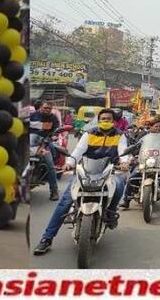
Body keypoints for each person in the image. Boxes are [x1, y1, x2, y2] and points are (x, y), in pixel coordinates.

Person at [33, 109, 129, 255]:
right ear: (98, 120)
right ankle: (46, 238)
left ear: (113, 121)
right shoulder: (89, 133)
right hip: (86, 171)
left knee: (120, 184)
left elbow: (123, 153)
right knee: (65, 202)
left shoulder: (119, 135)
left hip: (108, 171)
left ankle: (110, 212)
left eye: (109, 119)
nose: (106, 121)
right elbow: (77, 152)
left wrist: (124, 162)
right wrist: (69, 163)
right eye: (103, 118)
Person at [121, 118, 160, 213]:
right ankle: (126, 200)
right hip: (144, 162)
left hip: (158, 163)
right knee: (131, 178)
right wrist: (132, 152)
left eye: (159, 126)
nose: (158, 128)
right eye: (156, 126)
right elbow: (136, 146)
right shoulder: (143, 136)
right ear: (150, 127)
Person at [29, 100, 61, 201]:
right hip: (30, 143)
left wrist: (51, 139)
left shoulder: (53, 118)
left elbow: (55, 132)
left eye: (49, 108)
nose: (47, 110)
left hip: (44, 143)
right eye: (45, 108)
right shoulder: (32, 116)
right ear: (40, 107)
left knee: (50, 166)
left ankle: (54, 191)